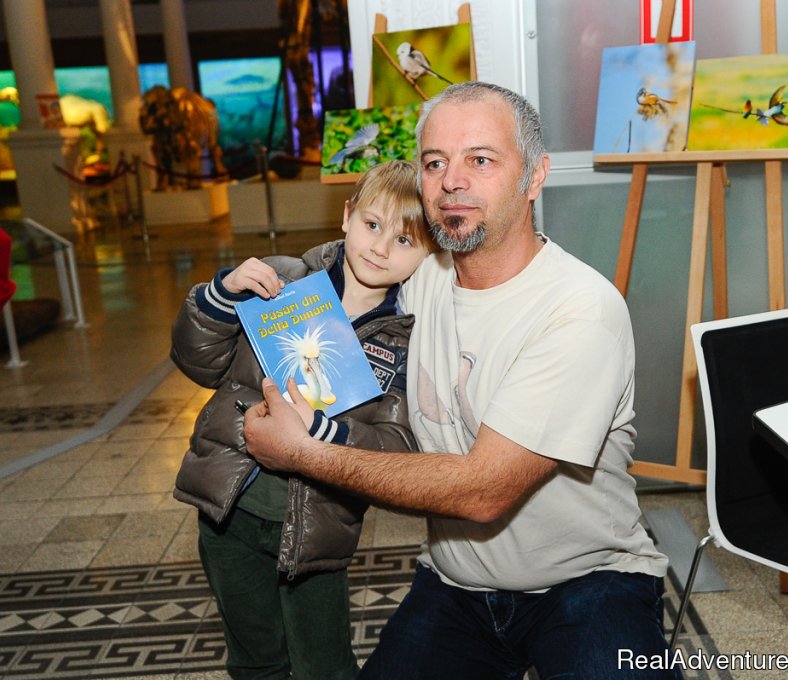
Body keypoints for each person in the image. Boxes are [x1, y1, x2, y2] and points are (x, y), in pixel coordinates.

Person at [243, 82, 678, 679]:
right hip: (456, 582)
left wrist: (303, 452)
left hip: (590, 579)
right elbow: (327, 270)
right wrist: (232, 290)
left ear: (535, 176)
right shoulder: (416, 275)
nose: (452, 181)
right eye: (434, 162)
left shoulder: (580, 310)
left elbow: (483, 491)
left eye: (481, 160)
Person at [170, 160, 434, 680]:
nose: (380, 247)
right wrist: (222, 297)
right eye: (373, 224)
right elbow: (198, 362)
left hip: (316, 530)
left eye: (405, 241)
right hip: (228, 509)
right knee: (255, 658)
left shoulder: (407, 337)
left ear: (430, 254)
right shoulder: (283, 281)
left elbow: (396, 448)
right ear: (346, 215)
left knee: (324, 666)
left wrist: (322, 431)